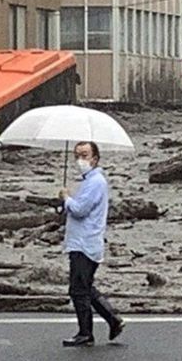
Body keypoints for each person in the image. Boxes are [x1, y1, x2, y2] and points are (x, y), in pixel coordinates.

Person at [58, 141, 125, 347]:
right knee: (84, 286)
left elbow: (80, 210)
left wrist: (67, 198)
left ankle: (86, 333)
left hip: (85, 243)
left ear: (95, 159)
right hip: (81, 241)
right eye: (77, 155)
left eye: (85, 155)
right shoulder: (88, 181)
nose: (80, 160)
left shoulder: (96, 182)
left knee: (78, 289)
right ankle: (113, 320)